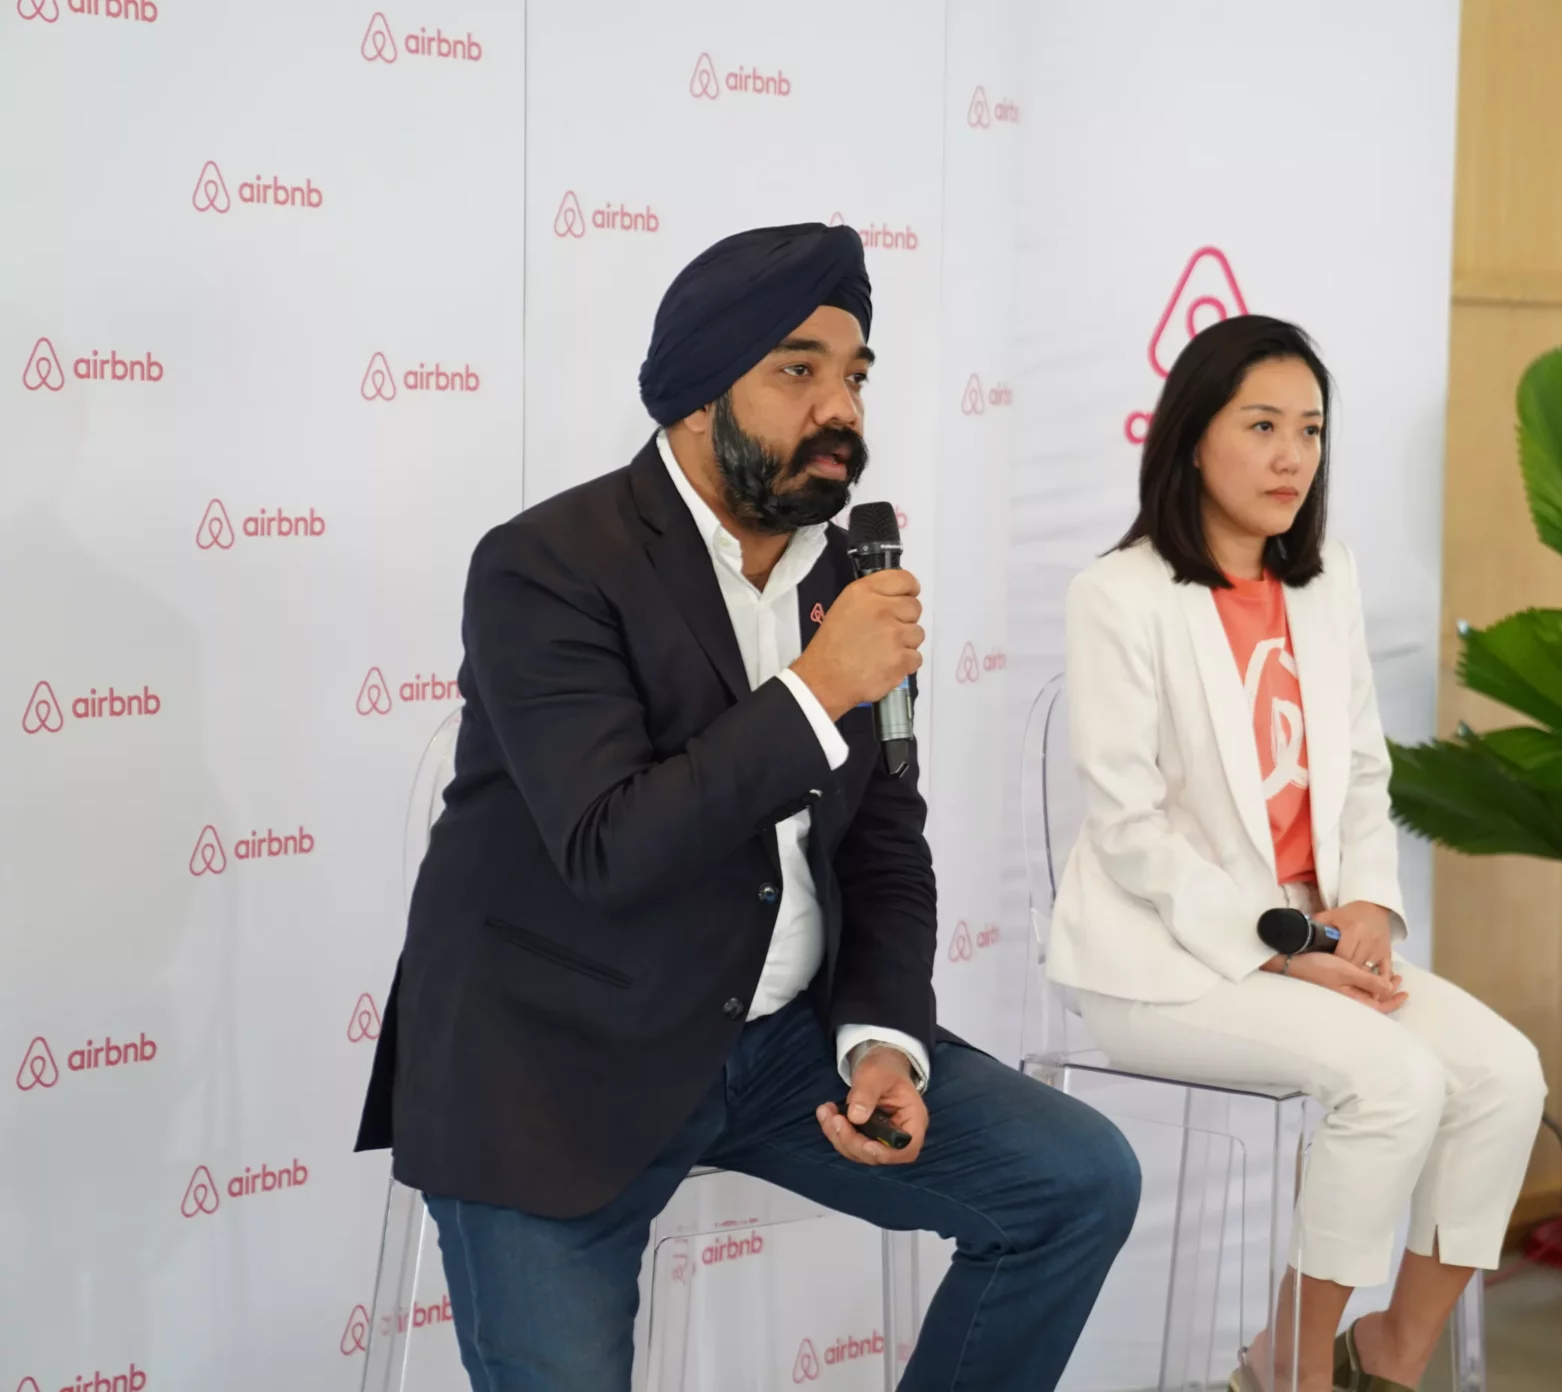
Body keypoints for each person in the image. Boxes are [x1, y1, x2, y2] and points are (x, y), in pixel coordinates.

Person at [355, 222, 1141, 1392]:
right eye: (797, 370)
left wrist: (882, 1041)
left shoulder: (846, 576)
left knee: (1078, 1181)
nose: (841, 409)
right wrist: (819, 688)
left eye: (856, 374)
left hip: (778, 1049)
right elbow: (611, 848)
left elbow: (883, 844)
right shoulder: (546, 565)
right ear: (695, 396)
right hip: (558, 1063)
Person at [1048, 315, 1547, 1392]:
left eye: (1310, 430)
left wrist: (1365, 905)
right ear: (1193, 438)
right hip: (1164, 961)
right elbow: (1130, 827)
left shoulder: (1325, 582)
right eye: (1262, 426)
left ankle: (1392, 1353)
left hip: (1315, 938)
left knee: (1506, 1075)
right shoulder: (1118, 595)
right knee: (1396, 1081)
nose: (1292, 457)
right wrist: (1283, 946)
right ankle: (1292, 1370)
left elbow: (1361, 768)